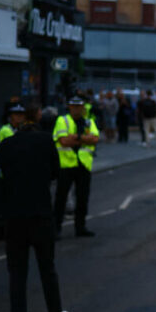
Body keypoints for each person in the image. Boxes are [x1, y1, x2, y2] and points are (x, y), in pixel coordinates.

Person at [1, 103, 71, 312]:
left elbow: (4, 174)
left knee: (17, 275)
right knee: (47, 269)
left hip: (14, 217)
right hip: (40, 214)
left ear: (17, 121)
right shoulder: (44, 141)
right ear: (38, 118)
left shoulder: (7, 144)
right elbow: (55, 172)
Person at [53, 96, 99, 238]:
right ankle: (56, 229)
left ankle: (81, 227)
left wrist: (76, 137)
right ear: (69, 107)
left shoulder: (89, 121)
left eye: (79, 106)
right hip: (66, 165)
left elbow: (96, 139)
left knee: (82, 198)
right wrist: (84, 139)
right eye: (74, 106)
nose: (77, 108)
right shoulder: (62, 120)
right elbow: (63, 141)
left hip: (83, 165)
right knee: (61, 198)